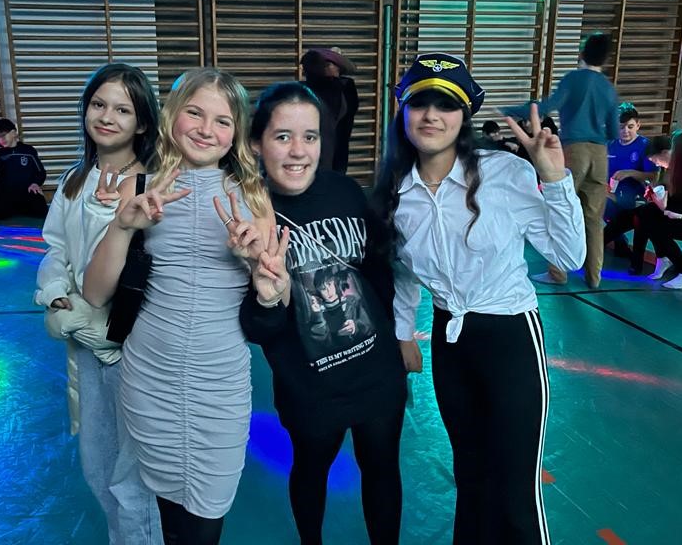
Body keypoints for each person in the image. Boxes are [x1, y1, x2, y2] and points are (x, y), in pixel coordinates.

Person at [374, 53, 585, 545]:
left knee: (515, 489)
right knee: (470, 476)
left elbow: (569, 256)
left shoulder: (503, 172)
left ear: (464, 115)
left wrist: (555, 179)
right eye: (420, 103)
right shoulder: (395, 190)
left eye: (446, 105)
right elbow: (400, 270)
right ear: (403, 110)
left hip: (510, 337)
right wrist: (403, 334)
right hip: (450, 342)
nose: (431, 115)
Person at [83, 67, 272, 545]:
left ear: (236, 133)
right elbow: (95, 293)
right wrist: (123, 226)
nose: (207, 129)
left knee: (208, 516)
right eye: (195, 113)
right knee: (169, 514)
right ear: (171, 116)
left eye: (223, 121)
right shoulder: (138, 185)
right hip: (150, 375)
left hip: (221, 381)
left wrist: (258, 267)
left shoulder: (253, 196)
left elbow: (275, 300)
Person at [238, 81, 407, 545]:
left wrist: (400, 338)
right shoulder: (248, 216)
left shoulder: (346, 191)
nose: (298, 151)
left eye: (309, 137)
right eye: (282, 136)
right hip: (309, 386)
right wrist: (268, 295)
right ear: (256, 144)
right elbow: (256, 326)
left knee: (382, 470)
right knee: (311, 472)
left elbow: (380, 275)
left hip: (376, 375)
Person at [34, 63, 163, 544]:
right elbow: (55, 248)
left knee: (136, 473)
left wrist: (107, 327)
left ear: (143, 122)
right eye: (98, 104)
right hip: (85, 341)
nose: (106, 117)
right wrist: (56, 294)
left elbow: (142, 272)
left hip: (132, 348)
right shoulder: (75, 178)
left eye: (122, 110)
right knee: (98, 462)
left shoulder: (150, 184)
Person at [504, 32, 619, 288]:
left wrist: (511, 111)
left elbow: (546, 106)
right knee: (594, 218)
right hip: (600, 154)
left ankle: (558, 272)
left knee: (560, 206)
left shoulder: (574, 79)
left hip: (574, 149)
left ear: (582, 53)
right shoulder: (608, 88)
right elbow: (613, 129)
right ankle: (594, 277)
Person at [632, 128, 682, 289]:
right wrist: (661, 204)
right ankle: (662, 258)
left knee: (657, 225)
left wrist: (670, 212)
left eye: (675, 149)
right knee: (646, 212)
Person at [604, 134, 672, 274]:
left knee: (644, 216)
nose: (657, 165)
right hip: (650, 205)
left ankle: (656, 259)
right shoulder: (611, 144)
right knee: (628, 217)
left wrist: (657, 199)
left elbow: (673, 203)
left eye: (656, 161)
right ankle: (615, 247)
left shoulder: (681, 171)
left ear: (665, 153)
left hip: (666, 211)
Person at [603, 103, 658, 257]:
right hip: (611, 190)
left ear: (638, 125)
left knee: (611, 206)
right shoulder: (611, 144)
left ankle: (615, 242)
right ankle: (619, 242)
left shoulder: (645, 145)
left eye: (630, 126)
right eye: (621, 127)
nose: (625, 131)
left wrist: (630, 173)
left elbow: (653, 176)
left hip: (634, 194)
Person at [300, 47, 359, 173]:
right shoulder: (306, 90)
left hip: (334, 155)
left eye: (327, 64)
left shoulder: (344, 87)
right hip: (316, 158)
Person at [0, 118, 49, 220]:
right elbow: (0, 176)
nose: (0, 140)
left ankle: (19, 207)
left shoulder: (28, 150)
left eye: (3, 135)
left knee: (41, 211)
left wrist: (35, 183)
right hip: (8, 192)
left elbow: (41, 172)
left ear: (13, 133)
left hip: (27, 190)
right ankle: (16, 207)